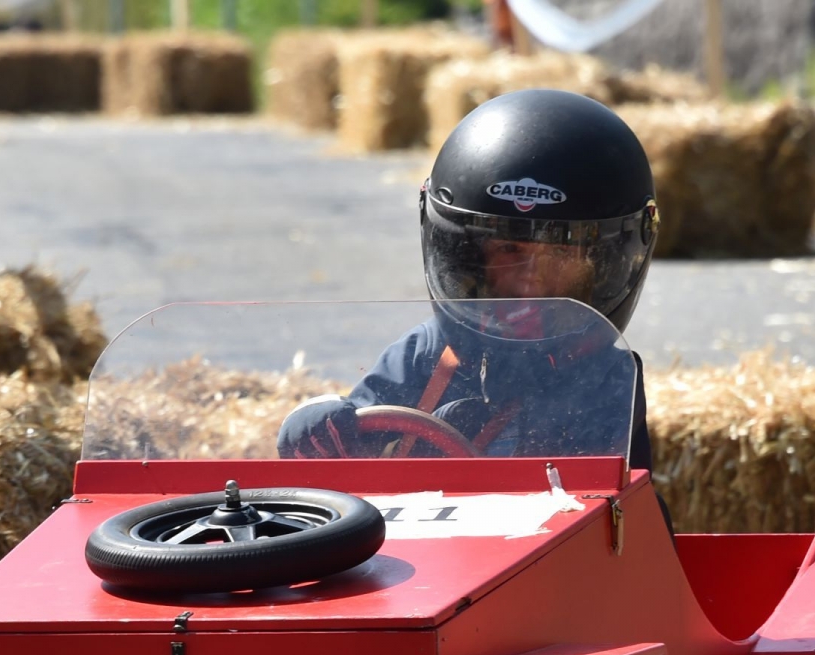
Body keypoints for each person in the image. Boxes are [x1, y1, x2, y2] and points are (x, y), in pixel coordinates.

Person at [277, 88, 661, 468]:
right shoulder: (427, 353)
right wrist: (318, 424)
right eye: (509, 250)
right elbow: (355, 427)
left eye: (560, 254)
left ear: (604, 264)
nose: (529, 281)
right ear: (469, 255)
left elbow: (598, 506)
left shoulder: (607, 379)